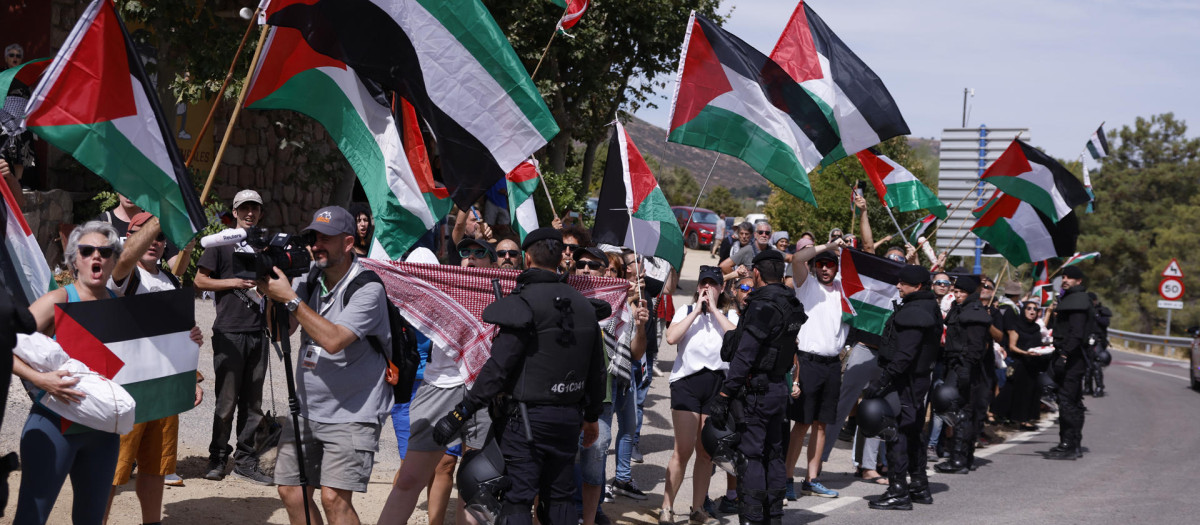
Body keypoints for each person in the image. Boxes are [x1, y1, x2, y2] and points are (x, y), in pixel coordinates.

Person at [12, 221, 202, 524]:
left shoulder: (121, 306)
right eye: (87, 251)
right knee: (31, 518)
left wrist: (187, 342)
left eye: (105, 251)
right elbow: (4, 342)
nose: (96, 257)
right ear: (74, 259)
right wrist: (38, 379)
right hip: (54, 425)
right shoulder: (58, 300)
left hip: (103, 433)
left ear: (114, 260)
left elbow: (151, 352)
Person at [430, 227, 608, 525]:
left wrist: (461, 413)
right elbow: (596, 371)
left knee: (518, 500)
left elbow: (499, 368)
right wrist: (591, 417)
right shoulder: (583, 305)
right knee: (560, 499)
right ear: (560, 258)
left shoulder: (523, 302)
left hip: (526, 424)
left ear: (526, 258)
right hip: (568, 421)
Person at [260, 206, 393, 524]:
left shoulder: (368, 288)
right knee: (291, 491)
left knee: (333, 498)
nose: (316, 244)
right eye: (312, 237)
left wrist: (290, 298)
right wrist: (270, 293)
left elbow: (333, 340)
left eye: (325, 238)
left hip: (353, 412)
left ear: (348, 243)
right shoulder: (309, 278)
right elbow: (280, 332)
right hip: (306, 409)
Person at [103, 213, 204, 523]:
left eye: (160, 238)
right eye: (146, 235)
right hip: (127, 387)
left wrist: (193, 375)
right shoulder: (123, 275)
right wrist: (160, 217)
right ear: (128, 238)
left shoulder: (170, 279)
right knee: (113, 469)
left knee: (156, 467)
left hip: (163, 390)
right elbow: (124, 262)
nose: (155, 242)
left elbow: (175, 335)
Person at [708, 250, 804, 525]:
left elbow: (746, 355)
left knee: (750, 456)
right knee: (774, 453)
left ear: (758, 273)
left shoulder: (763, 307)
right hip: (777, 388)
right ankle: (773, 515)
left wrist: (725, 394)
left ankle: (751, 517)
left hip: (757, 391)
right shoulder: (791, 303)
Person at [193, 189, 273, 483]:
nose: (250, 213)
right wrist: (234, 282)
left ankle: (246, 459)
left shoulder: (264, 248)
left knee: (253, 403)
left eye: (255, 208)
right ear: (235, 211)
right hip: (228, 330)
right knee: (226, 401)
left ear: (261, 213)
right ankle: (217, 457)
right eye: (245, 208)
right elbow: (199, 280)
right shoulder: (221, 243)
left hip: (258, 332)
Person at [658, 266, 735, 525]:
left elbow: (735, 339)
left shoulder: (728, 314)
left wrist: (714, 310)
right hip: (687, 384)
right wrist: (697, 312)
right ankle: (667, 507)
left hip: (716, 386)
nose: (707, 288)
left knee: (705, 452)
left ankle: (698, 508)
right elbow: (670, 338)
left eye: (713, 284)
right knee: (684, 449)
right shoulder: (686, 310)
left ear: (721, 288)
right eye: (704, 283)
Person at [864, 265, 942, 510]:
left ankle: (898, 490)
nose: (898, 286)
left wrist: (883, 381)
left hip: (905, 382)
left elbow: (905, 355)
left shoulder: (916, 311)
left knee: (895, 433)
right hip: (916, 381)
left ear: (917, 286)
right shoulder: (928, 306)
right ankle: (918, 486)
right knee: (914, 431)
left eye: (903, 283)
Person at [784, 239, 848, 500]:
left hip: (833, 364)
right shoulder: (806, 284)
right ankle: (787, 477)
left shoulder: (844, 291)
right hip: (807, 361)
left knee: (821, 425)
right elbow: (797, 259)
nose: (824, 269)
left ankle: (812, 479)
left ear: (837, 269)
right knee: (802, 423)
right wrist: (829, 245)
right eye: (820, 264)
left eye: (830, 265)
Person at [934, 276, 993, 474]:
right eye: (956, 291)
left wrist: (966, 367)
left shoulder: (974, 312)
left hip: (964, 367)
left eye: (961, 292)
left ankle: (959, 459)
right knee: (959, 411)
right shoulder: (959, 308)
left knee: (961, 412)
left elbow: (976, 346)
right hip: (954, 365)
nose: (957, 295)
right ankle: (962, 457)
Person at [1045, 266, 1096, 460]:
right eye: (1064, 277)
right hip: (1068, 355)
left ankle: (1070, 445)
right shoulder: (1070, 298)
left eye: (1069, 278)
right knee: (1070, 400)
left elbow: (1076, 333)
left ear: (1079, 281)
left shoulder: (1078, 301)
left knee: (1068, 401)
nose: (1065, 280)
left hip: (1073, 358)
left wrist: (1065, 355)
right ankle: (1068, 443)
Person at [1005, 301, 1047, 431]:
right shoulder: (1016, 326)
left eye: (1035, 309)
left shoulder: (1036, 328)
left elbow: (1039, 343)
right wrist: (1025, 353)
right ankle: (1015, 419)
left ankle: (1027, 420)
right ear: (1024, 310)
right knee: (1017, 393)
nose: (1032, 311)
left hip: (1033, 365)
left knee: (1032, 393)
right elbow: (1012, 346)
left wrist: (1043, 350)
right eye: (1029, 308)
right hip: (1020, 364)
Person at [1084, 292, 1112, 397]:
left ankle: (1099, 387)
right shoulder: (1085, 311)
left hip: (1098, 341)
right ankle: (1087, 387)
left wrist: (1095, 316)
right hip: (1087, 340)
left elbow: (1105, 322)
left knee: (1096, 364)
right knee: (1087, 365)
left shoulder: (1101, 311)